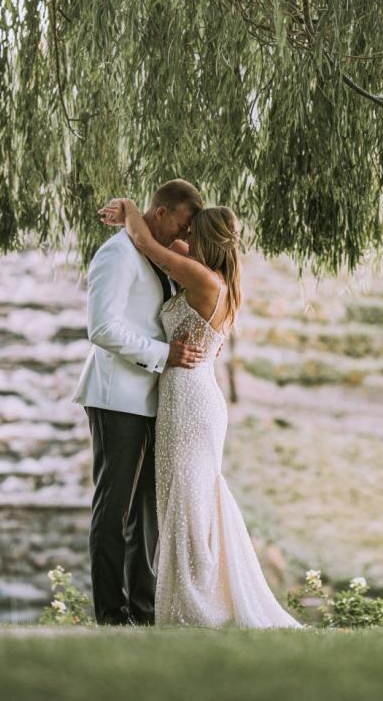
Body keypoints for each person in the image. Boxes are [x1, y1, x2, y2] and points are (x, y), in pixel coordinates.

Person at [98, 196, 302, 629]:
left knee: (187, 503)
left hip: (188, 400)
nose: (184, 238)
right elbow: (160, 241)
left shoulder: (201, 278)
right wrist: (146, 220)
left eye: (192, 233)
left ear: (206, 240)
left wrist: (131, 208)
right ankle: (193, 596)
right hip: (188, 395)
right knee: (187, 498)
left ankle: (198, 603)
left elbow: (147, 244)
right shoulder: (214, 277)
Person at [72, 179, 204, 625]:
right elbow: (102, 328)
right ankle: (112, 613)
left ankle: (144, 612)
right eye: (181, 224)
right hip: (116, 398)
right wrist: (164, 355)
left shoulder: (154, 252)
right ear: (161, 212)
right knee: (114, 509)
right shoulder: (116, 255)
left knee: (146, 512)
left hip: (152, 399)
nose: (183, 235)